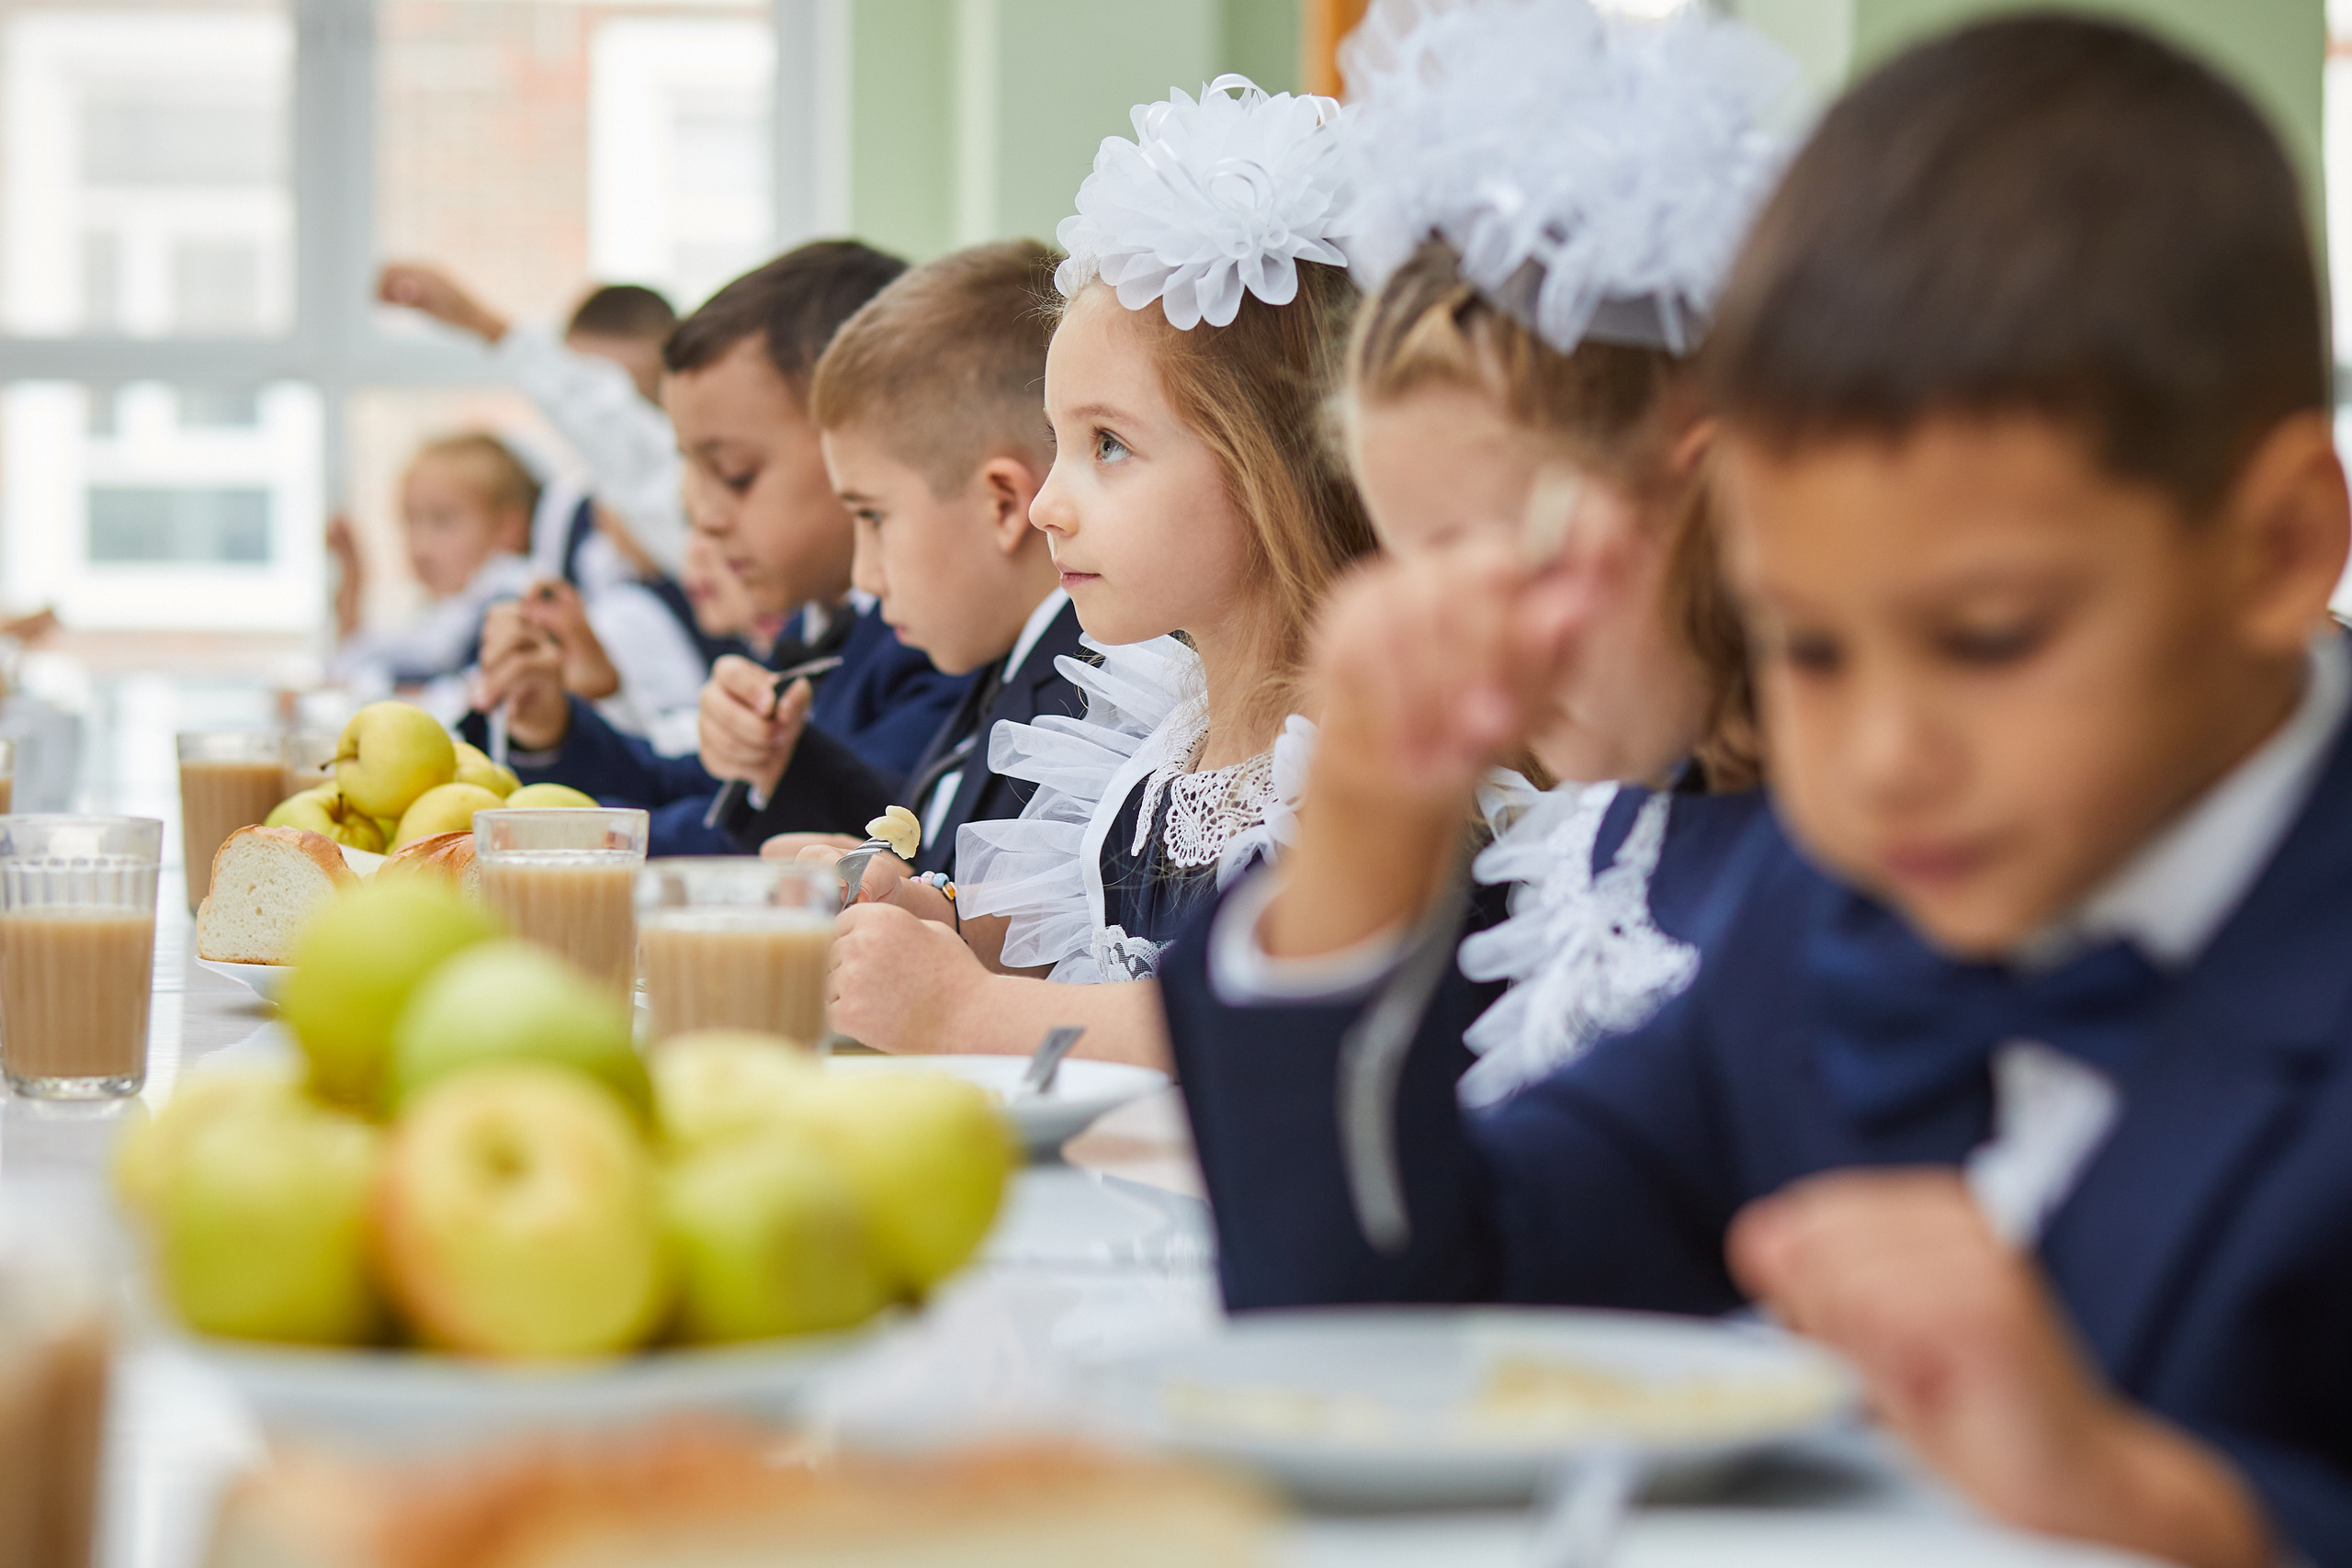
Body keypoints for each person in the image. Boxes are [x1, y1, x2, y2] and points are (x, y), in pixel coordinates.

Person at [1163, 17, 2352, 1568]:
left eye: (1988, 638)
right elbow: (1390, 1340)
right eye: (1806, 645)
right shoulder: (1826, 920)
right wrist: (1365, 847)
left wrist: (2162, 1506)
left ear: (2276, 548)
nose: (1877, 756)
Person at [1212, 0, 1789, 1110]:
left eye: (1500, 559)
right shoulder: (1605, 847)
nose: (1474, 634)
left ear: (1700, 487)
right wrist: (1356, 838)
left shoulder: (1861, 869)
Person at [823, 78, 1374, 1065]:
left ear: (1278, 461)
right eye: (1058, 444)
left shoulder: (1374, 764)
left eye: (1109, 445)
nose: (1047, 504)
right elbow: (1085, 954)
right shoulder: (1151, 742)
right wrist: (939, 930)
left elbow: (1269, 1027)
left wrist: (963, 1013)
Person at [468, 241, 972, 855]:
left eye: (734, 474)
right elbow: (698, 789)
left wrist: (561, 842)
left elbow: (820, 842)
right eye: (691, 470)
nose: (699, 515)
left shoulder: (938, 643)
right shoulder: (826, 627)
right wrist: (554, 730)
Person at [739, 240, 1088, 882]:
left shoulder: (1085, 703)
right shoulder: (1010, 667)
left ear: (1004, 504)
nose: (864, 578)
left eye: (873, 517)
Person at [379, 266, 688, 578]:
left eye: (613, 388)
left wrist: (482, 324)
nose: (599, 407)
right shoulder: (568, 512)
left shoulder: (684, 493)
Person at [326, 432, 535, 697]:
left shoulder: (510, 597)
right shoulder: (452, 609)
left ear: (507, 528)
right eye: (410, 521)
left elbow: (460, 695)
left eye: (442, 521)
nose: (420, 546)